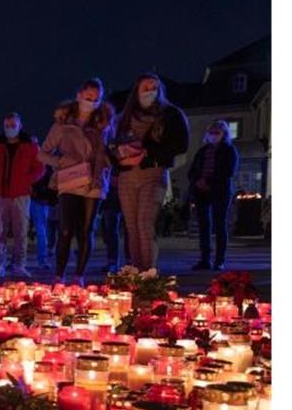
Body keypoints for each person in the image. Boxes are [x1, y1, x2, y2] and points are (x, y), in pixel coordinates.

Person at [38, 78, 114, 286]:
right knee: (65, 229)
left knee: (87, 229)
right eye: (88, 97)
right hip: (70, 179)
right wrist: (61, 161)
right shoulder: (63, 123)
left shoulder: (105, 123)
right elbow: (43, 153)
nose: (91, 102)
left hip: (94, 181)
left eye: (96, 99)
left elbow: (111, 151)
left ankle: (79, 275)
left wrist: (108, 161)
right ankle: (59, 275)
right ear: (79, 95)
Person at [113, 73, 190, 271]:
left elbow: (181, 144)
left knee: (144, 223)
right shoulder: (124, 118)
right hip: (127, 175)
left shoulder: (170, 114)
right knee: (131, 226)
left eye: (153, 87)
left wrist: (147, 153)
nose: (150, 91)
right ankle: (135, 271)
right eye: (145, 87)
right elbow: (111, 145)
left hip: (153, 173)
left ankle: (148, 273)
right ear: (136, 91)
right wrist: (120, 155)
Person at [0, 112, 46, 278]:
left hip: (21, 195)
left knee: (21, 231)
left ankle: (19, 265)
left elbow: (40, 168)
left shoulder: (30, 146)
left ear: (20, 126)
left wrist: (27, 181)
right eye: (7, 125)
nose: (10, 128)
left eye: (13, 125)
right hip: (0, 194)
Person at [187, 120, 240, 271]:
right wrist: (198, 181)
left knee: (220, 224)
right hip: (201, 191)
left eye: (217, 133)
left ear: (224, 134)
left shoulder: (229, 150)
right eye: (211, 133)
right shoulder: (202, 151)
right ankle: (205, 259)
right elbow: (192, 170)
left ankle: (219, 260)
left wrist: (208, 180)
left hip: (220, 191)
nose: (213, 136)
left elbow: (228, 171)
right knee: (204, 225)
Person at [29, 167, 57, 269]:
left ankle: (42, 259)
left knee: (41, 231)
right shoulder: (49, 169)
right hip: (41, 200)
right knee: (42, 230)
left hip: (38, 199)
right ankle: (42, 259)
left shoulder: (45, 169)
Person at [100, 172, 126, 274]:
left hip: (119, 193)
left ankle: (125, 261)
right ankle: (113, 261)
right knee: (110, 229)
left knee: (128, 229)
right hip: (110, 197)